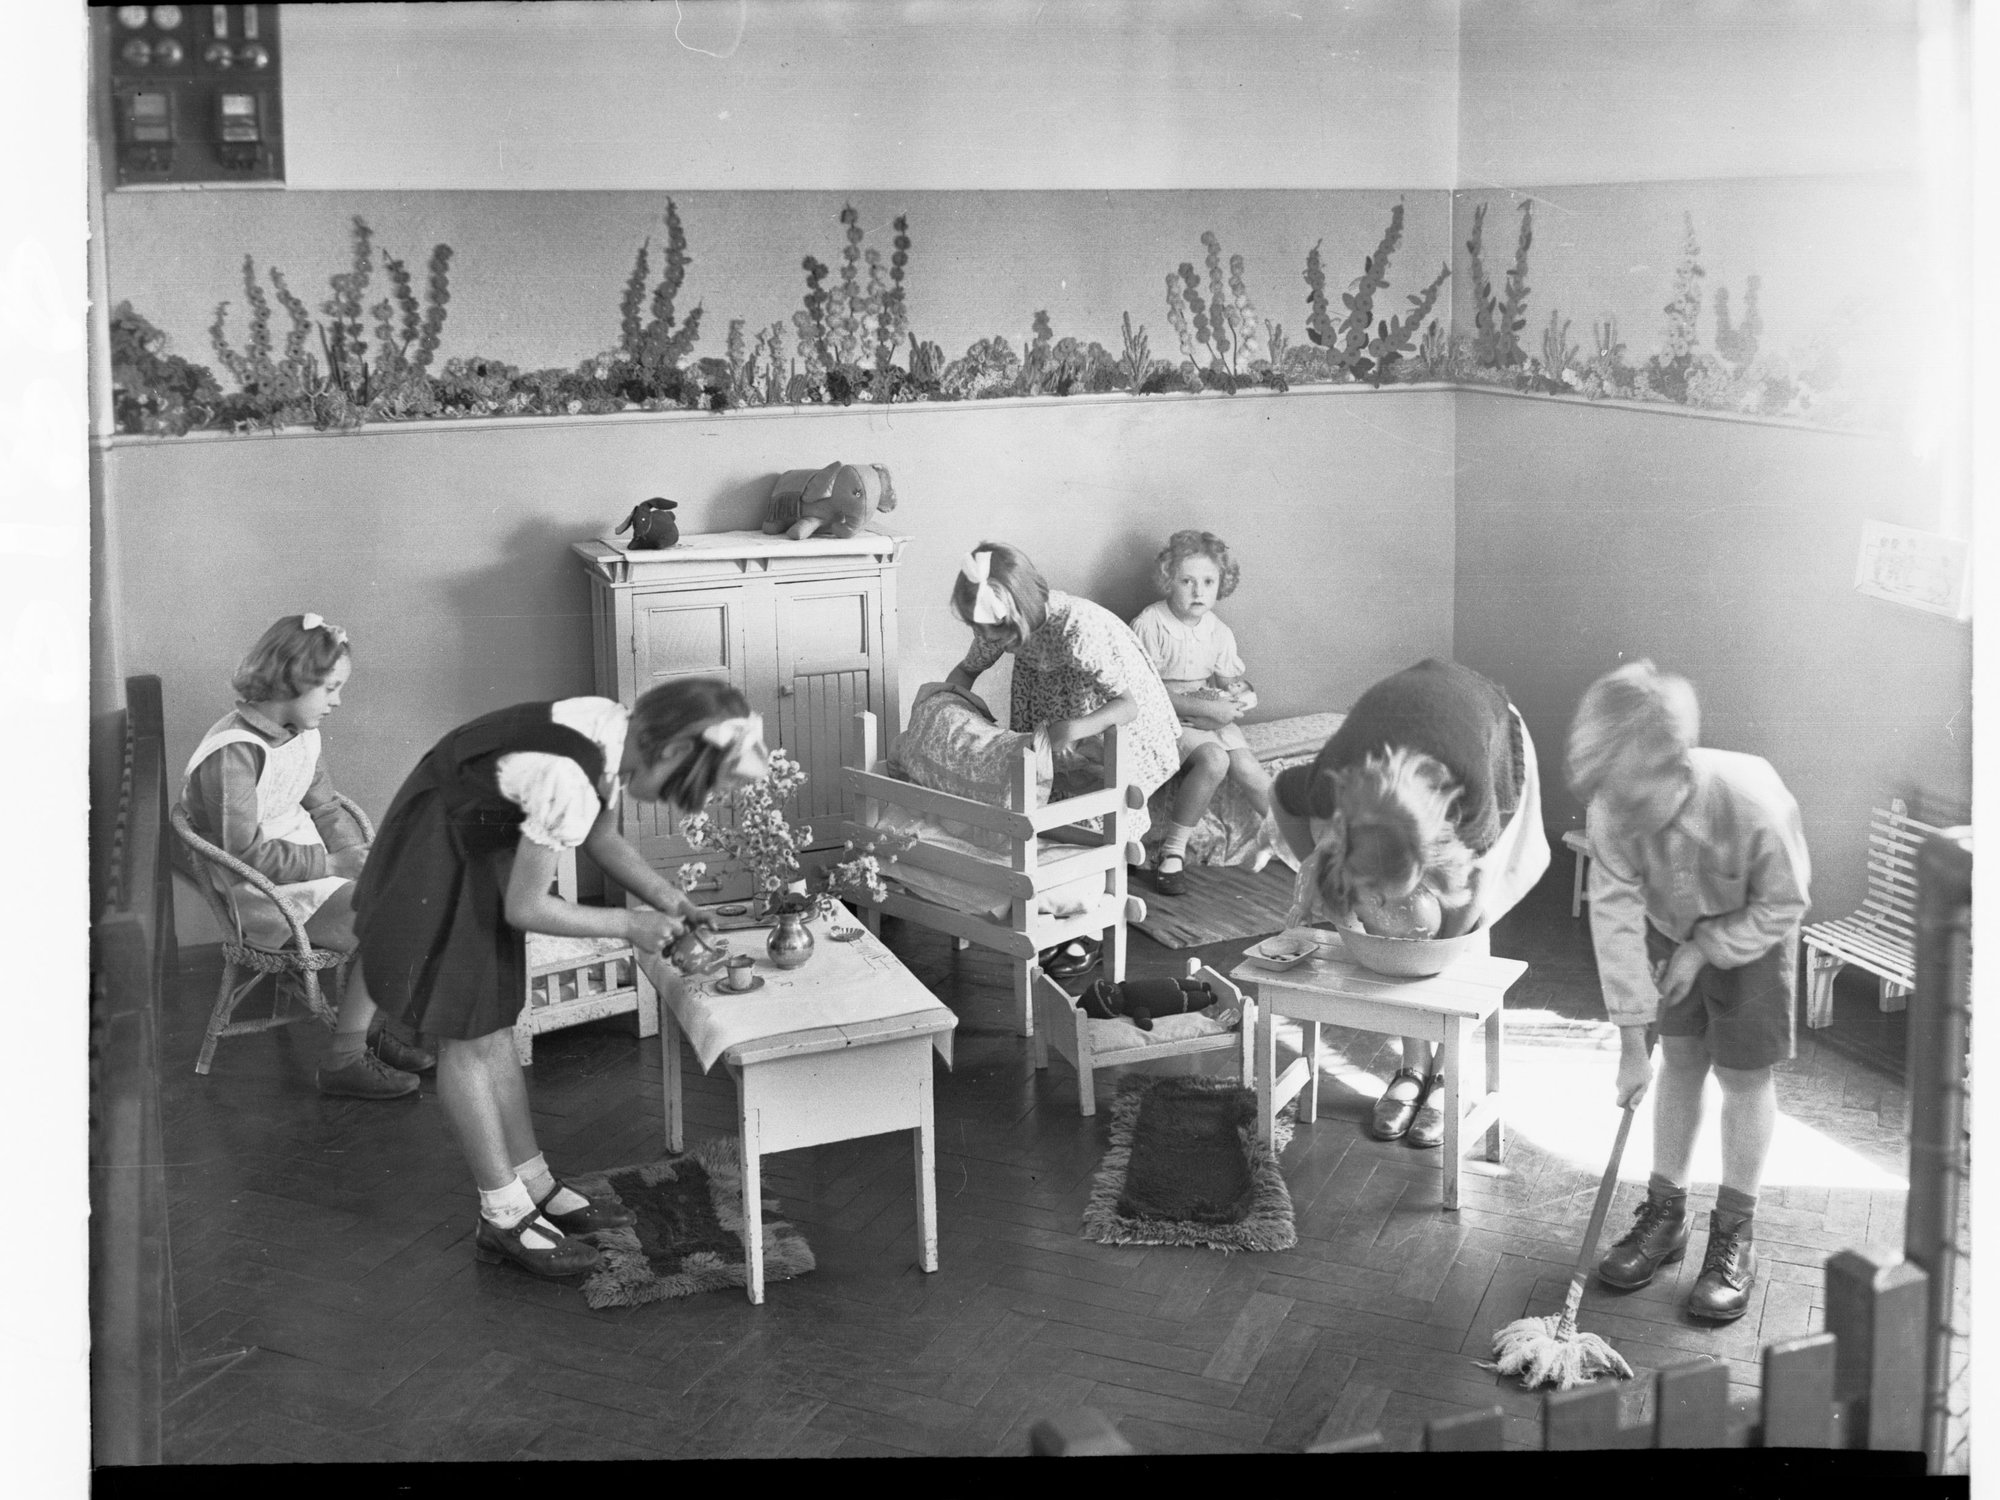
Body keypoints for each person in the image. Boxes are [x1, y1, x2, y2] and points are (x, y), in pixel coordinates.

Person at [350, 679, 771, 1278]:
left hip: (475, 842)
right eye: (690, 790)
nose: (683, 804)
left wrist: (667, 898)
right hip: (437, 858)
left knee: (493, 1025)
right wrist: (630, 922)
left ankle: (534, 1185)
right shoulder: (569, 774)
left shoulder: (609, 729)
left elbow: (597, 832)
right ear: (674, 752)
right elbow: (527, 907)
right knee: (467, 1040)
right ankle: (500, 1216)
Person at [1566, 661, 1810, 1322]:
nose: (1626, 822)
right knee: (1678, 1062)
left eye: (1639, 805)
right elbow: (1613, 920)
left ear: (1678, 770)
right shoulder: (1615, 804)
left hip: (1752, 934)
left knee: (1741, 1077)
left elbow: (1785, 902)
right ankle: (1665, 1214)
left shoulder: (1753, 799)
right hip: (1672, 931)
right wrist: (1629, 1041)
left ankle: (1733, 1232)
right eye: (1615, 805)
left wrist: (1709, 948)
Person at [1271, 659, 1550, 1147]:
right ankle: (1412, 1069)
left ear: (1432, 856)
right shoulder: (1327, 784)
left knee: (1450, 941)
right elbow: (1279, 797)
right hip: (1398, 729)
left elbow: (1466, 907)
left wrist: (1434, 950)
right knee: (1395, 927)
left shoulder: (1473, 810)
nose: (1376, 899)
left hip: (1490, 740)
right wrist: (1320, 880)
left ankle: (1448, 1080)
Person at [180, 614, 436, 1100]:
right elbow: (245, 853)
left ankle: (361, 1029)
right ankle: (345, 1057)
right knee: (391, 921)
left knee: (408, 898)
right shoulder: (233, 753)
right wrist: (334, 867)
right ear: (294, 681)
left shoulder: (300, 731)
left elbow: (324, 805)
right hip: (260, 891)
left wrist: (352, 853)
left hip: (309, 871)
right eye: (331, 688)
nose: (337, 701)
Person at [945, 542, 1181, 979]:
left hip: (1106, 718)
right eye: (983, 631)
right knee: (1053, 806)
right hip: (1057, 711)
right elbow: (965, 672)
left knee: (1098, 817)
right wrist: (946, 706)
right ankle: (1062, 911)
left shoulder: (1078, 629)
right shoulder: (994, 625)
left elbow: (1127, 706)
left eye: (997, 633)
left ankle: (1092, 928)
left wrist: (1077, 727)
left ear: (1021, 612)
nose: (990, 641)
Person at [1129, 529, 1277, 896]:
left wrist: (1241, 695)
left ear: (1220, 585)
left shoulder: (1218, 631)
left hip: (1208, 709)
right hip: (1169, 713)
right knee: (1214, 761)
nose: (1198, 592)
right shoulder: (1152, 624)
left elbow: (1230, 682)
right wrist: (1206, 710)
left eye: (1208, 582)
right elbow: (1142, 692)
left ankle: (1296, 840)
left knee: (1248, 769)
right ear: (1168, 581)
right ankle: (1173, 852)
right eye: (1187, 581)